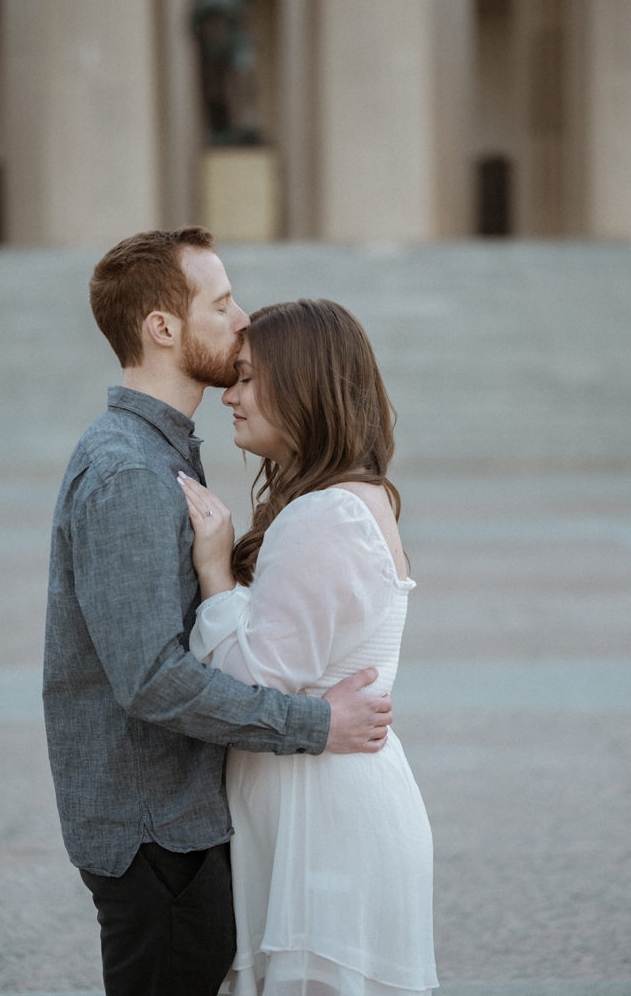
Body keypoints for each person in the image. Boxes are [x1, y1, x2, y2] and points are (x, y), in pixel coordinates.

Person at [43, 228, 393, 996]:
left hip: (179, 819)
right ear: (161, 328)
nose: (242, 320)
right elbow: (149, 680)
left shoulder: (161, 452)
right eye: (222, 302)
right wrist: (317, 726)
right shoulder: (128, 470)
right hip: (154, 832)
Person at [177, 298, 438, 996]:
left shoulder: (323, 514)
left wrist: (213, 572)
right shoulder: (351, 498)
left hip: (320, 816)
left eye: (247, 377)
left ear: (305, 383)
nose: (227, 396)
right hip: (325, 798)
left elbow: (251, 680)